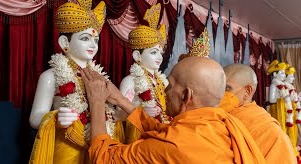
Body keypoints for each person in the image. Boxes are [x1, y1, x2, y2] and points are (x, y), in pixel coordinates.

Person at [82, 56, 266, 163]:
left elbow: (104, 157)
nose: (164, 91)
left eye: (169, 86)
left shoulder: (173, 146)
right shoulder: (223, 124)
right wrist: (121, 100)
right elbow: (165, 132)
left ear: (186, 95)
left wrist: (97, 102)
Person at [29, 0, 123, 163]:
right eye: (85, 38)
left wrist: (121, 115)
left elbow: (109, 114)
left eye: (95, 39)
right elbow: (35, 118)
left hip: (96, 148)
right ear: (65, 42)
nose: (93, 45)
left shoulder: (100, 79)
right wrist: (56, 117)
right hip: (65, 148)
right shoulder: (51, 76)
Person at [219, 63, 296, 163]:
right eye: (219, 88)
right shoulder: (215, 115)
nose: (220, 94)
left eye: (227, 88)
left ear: (247, 91)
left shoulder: (269, 130)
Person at [118, 3, 170, 143]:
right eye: (153, 52)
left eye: (160, 52)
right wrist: (141, 112)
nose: (159, 57)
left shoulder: (162, 81)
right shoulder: (130, 81)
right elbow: (118, 115)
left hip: (162, 133)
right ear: (137, 56)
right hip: (139, 136)